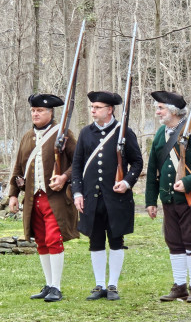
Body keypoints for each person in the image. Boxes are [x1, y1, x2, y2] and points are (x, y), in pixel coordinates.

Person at [145, 91, 191, 303]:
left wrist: (187, 182)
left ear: (174, 111)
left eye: (161, 108)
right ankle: (179, 286)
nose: (157, 111)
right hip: (168, 199)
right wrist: (151, 201)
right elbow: (152, 170)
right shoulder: (161, 133)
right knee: (174, 242)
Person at [72, 91, 143, 301]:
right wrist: (77, 192)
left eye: (97, 107)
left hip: (116, 198)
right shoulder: (86, 133)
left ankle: (113, 284)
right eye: (92, 107)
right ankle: (99, 285)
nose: (93, 110)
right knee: (95, 241)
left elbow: (137, 162)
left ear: (109, 110)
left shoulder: (124, 132)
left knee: (115, 240)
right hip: (91, 198)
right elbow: (76, 165)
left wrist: (127, 182)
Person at [9, 93, 79, 302]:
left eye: (39, 111)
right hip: (33, 198)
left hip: (55, 198)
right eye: (33, 110)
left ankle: (56, 286)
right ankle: (49, 285)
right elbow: (18, 167)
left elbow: (78, 163)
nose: (35, 114)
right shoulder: (27, 136)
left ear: (50, 112)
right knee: (41, 240)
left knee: (53, 239)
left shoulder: (63, 134)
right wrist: (13, 194)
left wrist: (64, 177)